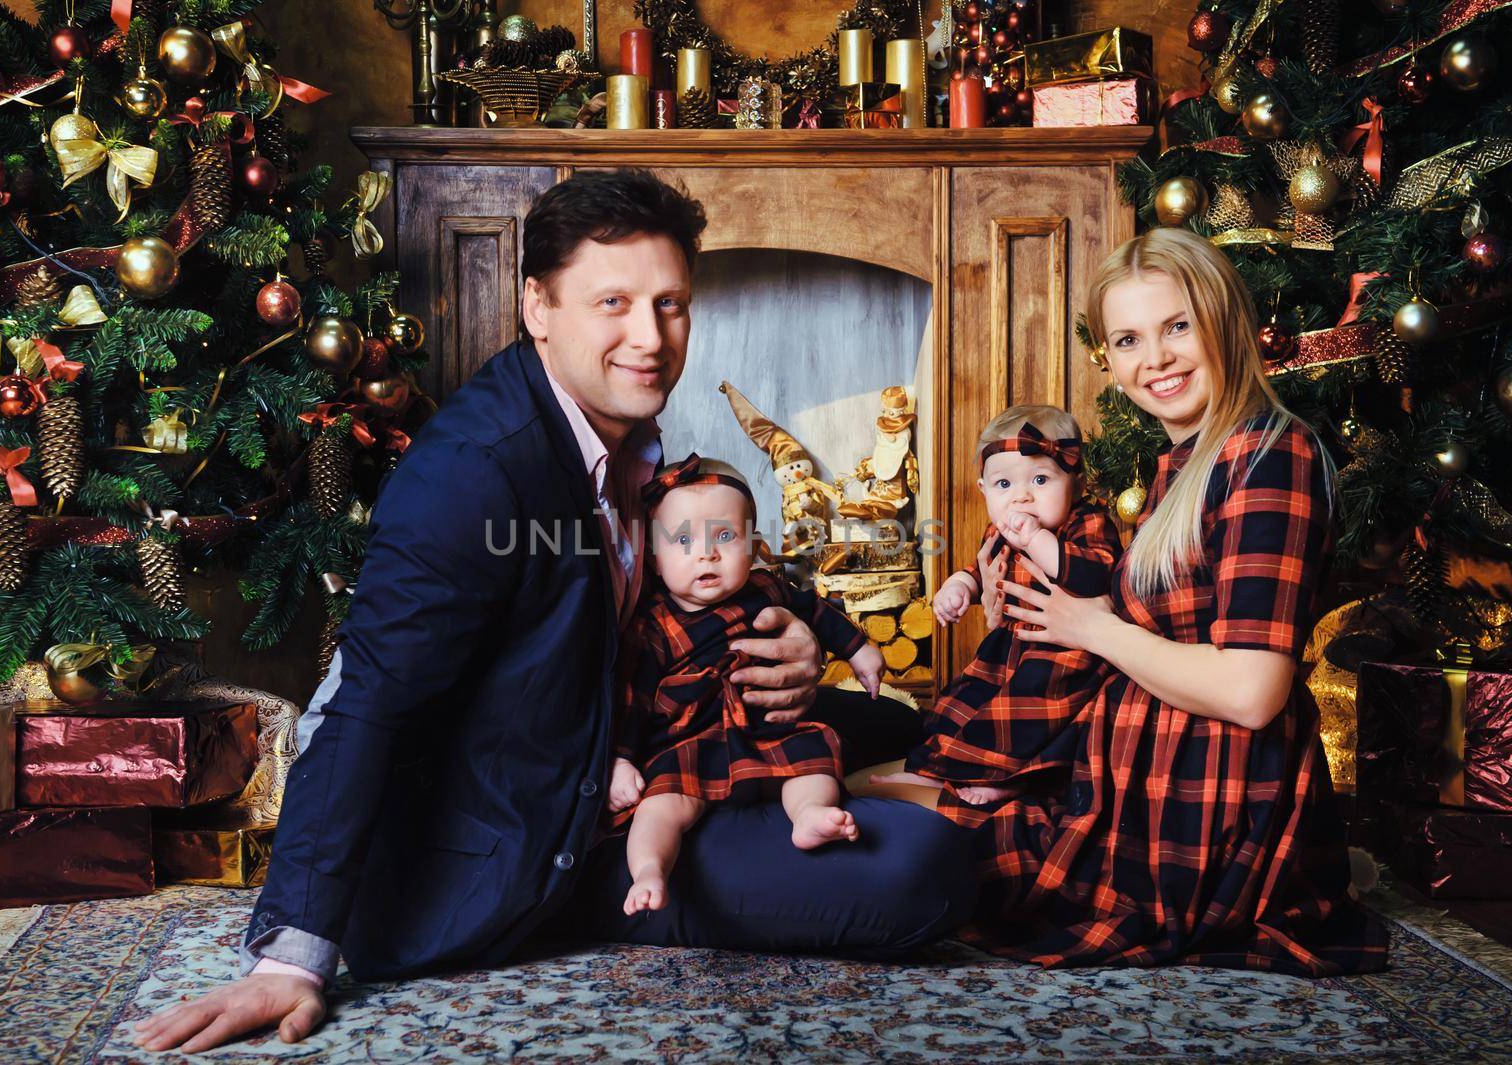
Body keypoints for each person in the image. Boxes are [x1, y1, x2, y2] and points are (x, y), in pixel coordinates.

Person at [134, 169, 971, 1054]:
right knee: (928, 866)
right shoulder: (474, 471)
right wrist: (292, 958)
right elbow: (363, 701)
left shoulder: (621, 436)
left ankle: (833, 786)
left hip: (625, 730)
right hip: (544, 830)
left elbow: (663, 592)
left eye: (671, 304)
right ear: (538, 305)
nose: (649, 337)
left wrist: (796, 636)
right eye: (612, 302)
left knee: (881, 719)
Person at [960, 227, 1388, 975]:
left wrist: (1092, 628)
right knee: (899, 780)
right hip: (1138, 778)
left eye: (1177, 327)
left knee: (919, 851)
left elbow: (1253, 691)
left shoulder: (1269, 457)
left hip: (1206, 813)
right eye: (1128, 338)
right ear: (1110, 360)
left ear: (1222, 321)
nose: (1153, 358)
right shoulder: (1185, 463)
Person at [610, 456, 887, 915]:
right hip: (690, 742)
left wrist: (859, 650)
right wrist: (621, 761)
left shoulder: (767, 590)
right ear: (655, 560)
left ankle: (809, 816)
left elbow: (817, 611)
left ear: (754, 546)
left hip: (766, 730)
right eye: (683, 540)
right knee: (660, 807)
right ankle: (648, 871)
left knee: (814, 757)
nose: (707, 553)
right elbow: (633, 698)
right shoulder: (653, 625)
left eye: (725, 536)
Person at [866, 405, 1121, 818]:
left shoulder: (1086, 522)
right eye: (1004, 483)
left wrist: (1037, 539)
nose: (1021, 496)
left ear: (1075, 483)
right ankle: (936, 770)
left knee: (1024, 717)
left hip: (1064, 654)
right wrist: (959, 586)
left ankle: (1002, 781)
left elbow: (1094, 575)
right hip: (1008, 645)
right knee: (963, 699)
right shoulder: (1001, 531)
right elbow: (980, 569)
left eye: (1041, 480)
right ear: (983, 489)